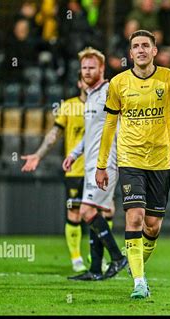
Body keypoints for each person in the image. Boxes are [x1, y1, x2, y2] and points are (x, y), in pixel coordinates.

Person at [95, 30, 170, 299]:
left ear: (154, 51)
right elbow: (110, 126)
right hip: (130, 159)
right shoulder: (118, 83)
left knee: (153, 225)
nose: (140, 50)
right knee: (134, 217)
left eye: (145, 46)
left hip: (160, 160)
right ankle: (139, 281)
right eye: (135, 46)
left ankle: (136, 263)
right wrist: (102, 165)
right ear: (130, 53)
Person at [63, 47, 127, 281]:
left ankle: (118, 257)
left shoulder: (109, 91)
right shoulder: (91, 95)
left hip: (106, 163)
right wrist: (74, 153)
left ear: (101, 68)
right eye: (84, 68)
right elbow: (90, 133)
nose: (87, 71)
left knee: (86, 211)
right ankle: (95, 269)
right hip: (91, 164)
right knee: (95, 212)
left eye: (92, 67)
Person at [21, 74, 89, 272]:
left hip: (100, 170)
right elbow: (54, 134)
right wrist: (39, 155)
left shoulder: (104, 105)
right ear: (79, 83)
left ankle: (98, 258)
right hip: (75, 170)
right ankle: (76, 258)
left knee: (103, 212)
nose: (87, 81)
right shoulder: (68, 106)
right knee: (74, 213)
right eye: (83, 78)